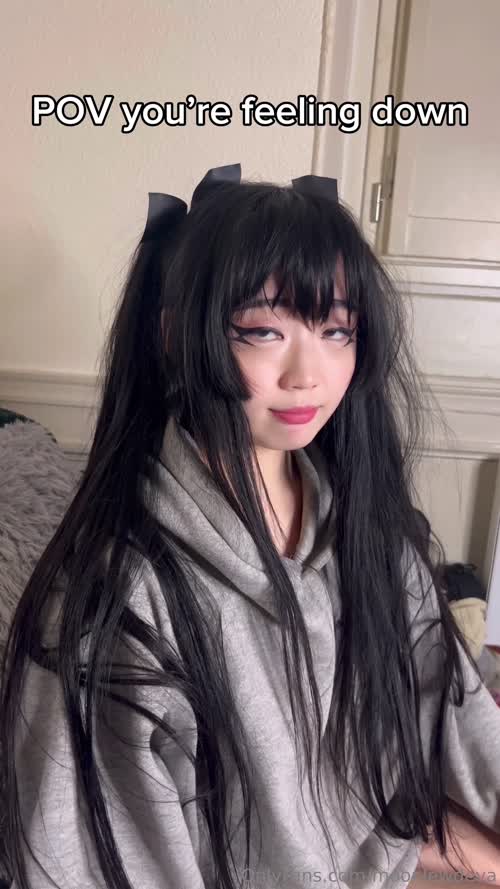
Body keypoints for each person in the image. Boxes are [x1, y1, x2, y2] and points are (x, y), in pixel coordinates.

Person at [1, 163, 499, 889]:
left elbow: (447, 697)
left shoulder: (367, 532)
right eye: (264, 331)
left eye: (337, 330)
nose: (309, 374)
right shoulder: (118, 596)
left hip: (379, 850)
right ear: (177, 335)